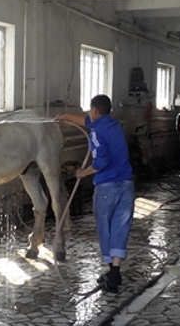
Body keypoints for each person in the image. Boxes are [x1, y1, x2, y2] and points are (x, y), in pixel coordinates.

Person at [55, 94, 135, 293]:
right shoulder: (114, 125)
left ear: (94, 110)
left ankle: (109, 271)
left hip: (107, 188)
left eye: (90, 110)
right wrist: (65, 116)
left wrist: (83, 172)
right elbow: (85, 121)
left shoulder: (97, 132)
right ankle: (114, 271)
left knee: (105, 229)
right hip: (126, 186)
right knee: (120, 227)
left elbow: (101, 162)